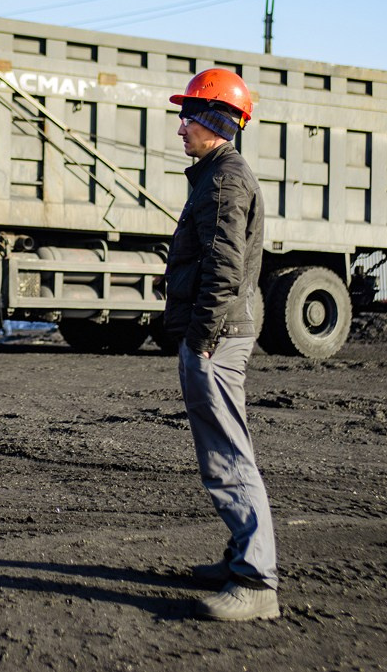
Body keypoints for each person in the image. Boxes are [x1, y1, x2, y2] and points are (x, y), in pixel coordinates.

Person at [163, 68, 279, 621]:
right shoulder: (214, 174)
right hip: (220, 332)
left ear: (214, 121)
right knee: (227, 449)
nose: (180, 126)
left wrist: (201, 339)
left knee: (228, 456)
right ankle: (240, 556)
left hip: (219, 335)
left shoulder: (224, 180)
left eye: (189, 115)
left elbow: (225, 268)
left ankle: (256, 581)